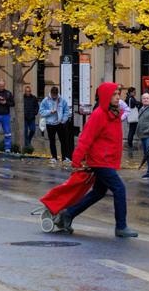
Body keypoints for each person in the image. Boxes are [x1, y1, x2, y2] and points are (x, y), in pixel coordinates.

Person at [53, 82, 138, 238]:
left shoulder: (114, 114)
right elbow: (85, 138)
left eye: (118, 94)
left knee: (98, 192)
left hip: (107, 160)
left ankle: (68, 214)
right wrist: (76, 159)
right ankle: (121, 227)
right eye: (114, 94)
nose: (117, 97)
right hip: (100, 161)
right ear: (106, 96)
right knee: (119, 189)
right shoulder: (99, 114)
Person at [39, 86, 72, 163]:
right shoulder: (46, 100)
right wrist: (50, 111)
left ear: (57, 94)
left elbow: (66, 111)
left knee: (63, 141)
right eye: (53, 95)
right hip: (50, 123)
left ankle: (64, 158)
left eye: (55, 95)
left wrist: (63, 120)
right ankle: (54, 157)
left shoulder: (62, 100)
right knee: (52, 141)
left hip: (60, 123)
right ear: (51, 93)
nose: (54, 97)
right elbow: (41, 111)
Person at [23, 85, 39, 151]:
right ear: (25, 91)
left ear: (30, 91)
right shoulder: (22, 98)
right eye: (26, 91)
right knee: (25, 131)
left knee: (33, 130)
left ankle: (29, 140)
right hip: (25, 117)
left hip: (32, 117)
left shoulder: (34, 98)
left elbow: (37, 106)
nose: (28, 92)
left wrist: (35, 112)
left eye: (29, 91)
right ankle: (27, 144)